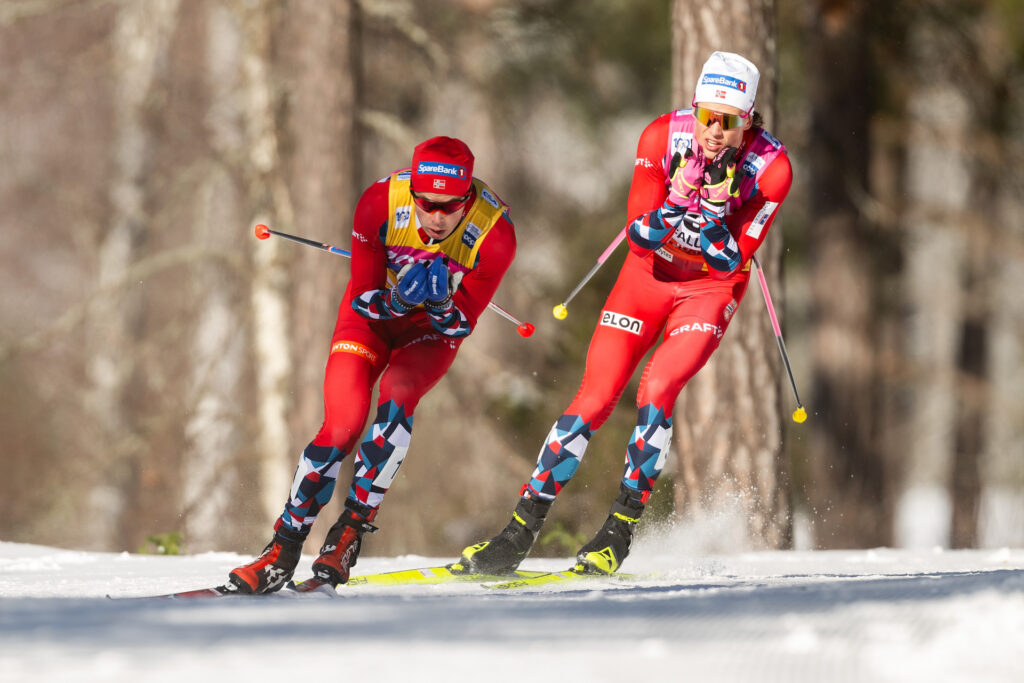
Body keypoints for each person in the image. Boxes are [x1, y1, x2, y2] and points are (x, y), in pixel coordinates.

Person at [457, 51, 793, 576]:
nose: (713, 130)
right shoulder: (663, 137)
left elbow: (733, 257)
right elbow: (638, 234)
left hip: (708, 290)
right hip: (646, 278)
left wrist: (713, 215)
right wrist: (679, 200)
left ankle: (618, 532)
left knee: (656, 392)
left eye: (728, 122)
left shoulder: (771, 168)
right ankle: (518, 531)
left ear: (748, 120)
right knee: (593, 396)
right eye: (706, 114)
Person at [230, 136, 516, 593]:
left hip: (429, 334)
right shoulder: (379, 203)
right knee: (341, 427)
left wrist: (440, 303)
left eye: (450, 206)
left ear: (468, 198)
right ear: (414, 193)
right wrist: (400, 297)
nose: (437, 217)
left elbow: (460, 325)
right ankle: (282, 548)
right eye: (427, 204)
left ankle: (349, 532)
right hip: (372, 320)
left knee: (398, 396)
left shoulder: (495, 232)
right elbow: (364, 298)